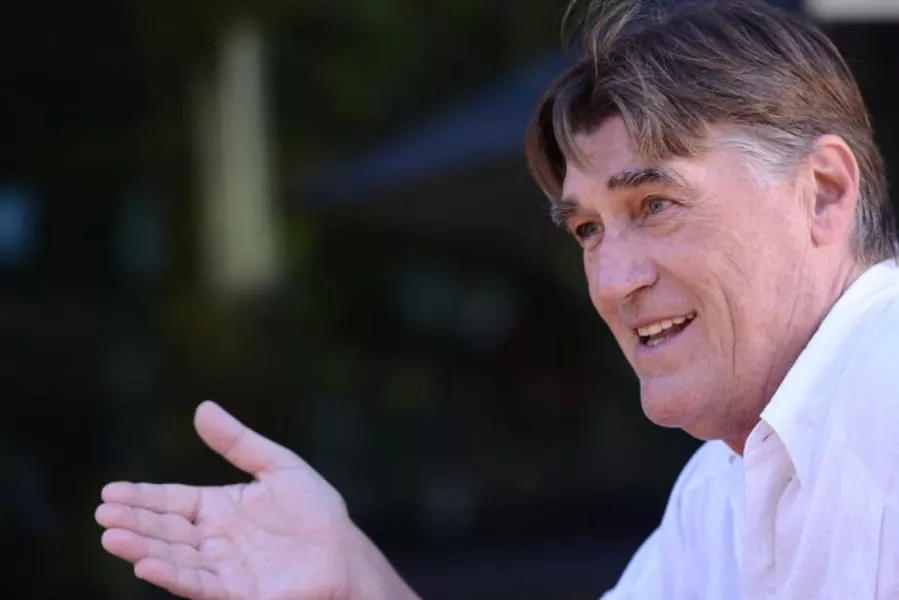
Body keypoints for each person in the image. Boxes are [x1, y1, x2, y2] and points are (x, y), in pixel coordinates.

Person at [95, 0, 899, 598]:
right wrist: (357, 581)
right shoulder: (720, 485)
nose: (612, 282)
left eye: (655, 204)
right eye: (587, 230)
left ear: (823, 192)